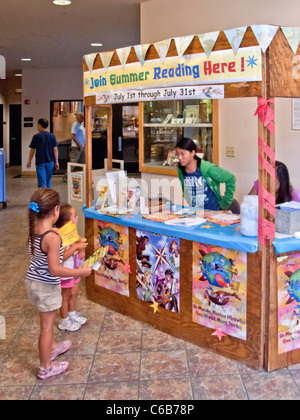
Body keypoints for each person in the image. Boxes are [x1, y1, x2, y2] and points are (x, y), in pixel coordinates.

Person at [26, 188, 92, 380]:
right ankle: (46, 367)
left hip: (33, 281)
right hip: (46, 286)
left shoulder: (36, 227)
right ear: (55, 211)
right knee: (46, 326)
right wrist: (81, 272)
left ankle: (52, 347)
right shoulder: (52, 237)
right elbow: (55, 268)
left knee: (45, 321)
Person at [176, 137, 236, 210]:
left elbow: (230, 178)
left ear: (193, 152)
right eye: (177, 154)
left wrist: (225, 203)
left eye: (182, 154)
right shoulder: (180, 170)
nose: (179, 157)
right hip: (196, 212)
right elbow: (185, 189)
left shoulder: (207, 169)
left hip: (213, 212)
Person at [55, 204, 88, 332]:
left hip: (74, 270)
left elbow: (79, 244)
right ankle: (64, 320)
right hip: (65, 273)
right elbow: (60, 257)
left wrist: (80, 247)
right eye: (74, 216)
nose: (77, 218)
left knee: (74, 293)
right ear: (67, 222)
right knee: (65, 296)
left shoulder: (72, 232)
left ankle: (72, 314)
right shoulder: (61, 237)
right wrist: (74, 248)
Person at [27, 118, 59, 188]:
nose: (37, 126)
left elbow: (32, 150)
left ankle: (43, 198)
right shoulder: (52, 136)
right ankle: (48, 197)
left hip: (40, 162)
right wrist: (56, 162)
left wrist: (29, 161)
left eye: (37, 125)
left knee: (42, 182)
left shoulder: (36, 137)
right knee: (48, 181)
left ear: (40, 125)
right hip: (50, 162)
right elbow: (55, 149)